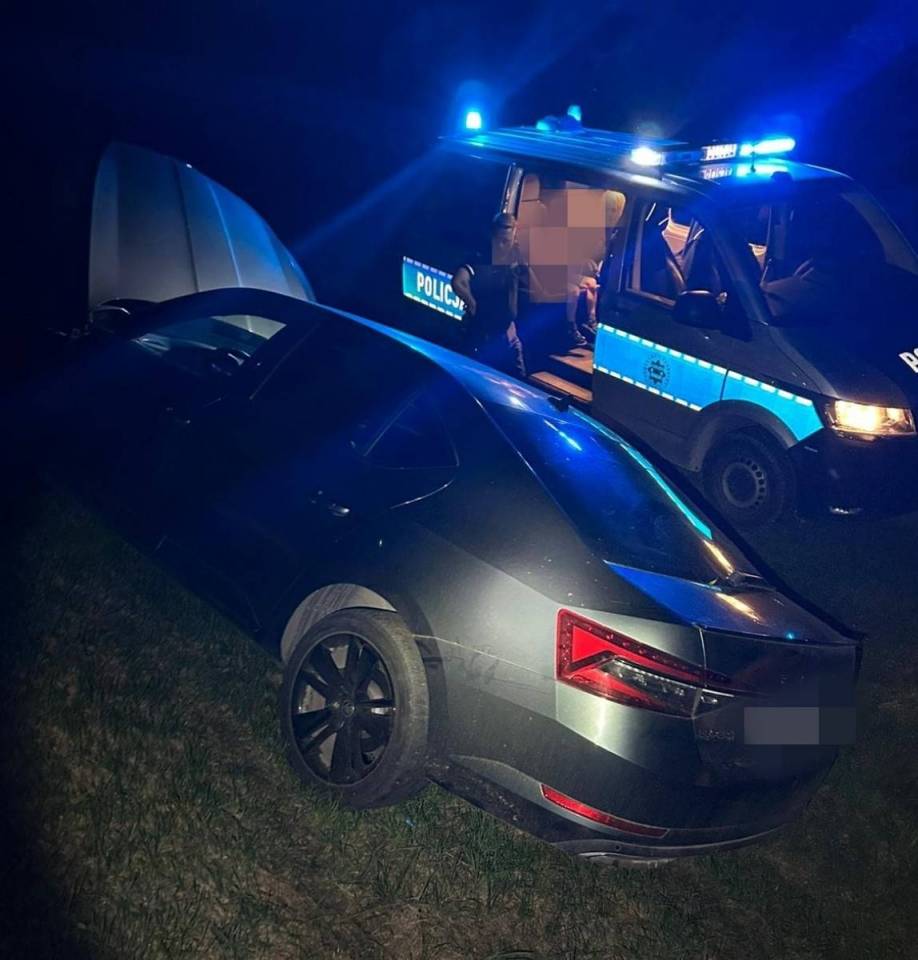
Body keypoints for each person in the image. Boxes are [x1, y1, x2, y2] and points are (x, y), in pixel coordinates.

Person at [451, 213, 527, 378]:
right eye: (499, 240)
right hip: (485, 336)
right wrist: (472, 304)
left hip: (509, 334)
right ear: (492, 236)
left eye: (507, 241)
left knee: (519, 381)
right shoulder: (480, 259)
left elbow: (530, 281)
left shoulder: (516, 258)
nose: (502, 246)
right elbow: (458, 282)